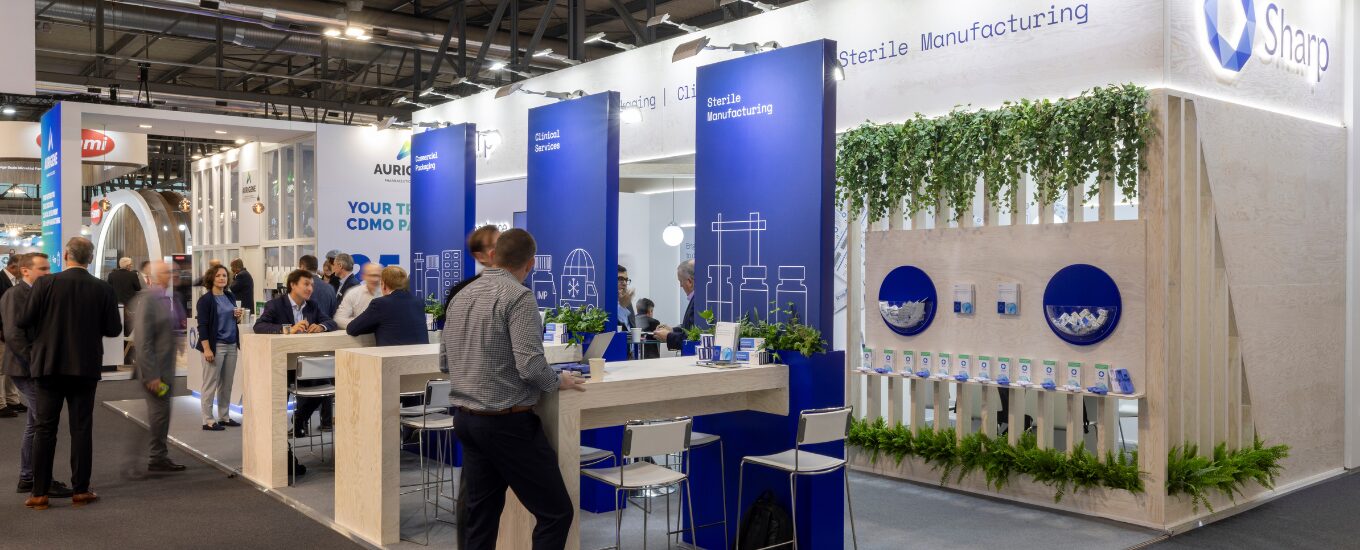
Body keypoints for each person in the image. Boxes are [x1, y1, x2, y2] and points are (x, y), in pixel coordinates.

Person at [443, 229, 585, 549]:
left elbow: (445, 360)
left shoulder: (462, 295)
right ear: (530, 263)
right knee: (555, 513)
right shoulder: (519, 296)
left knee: (481, 518)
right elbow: (530, 366)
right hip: (507, 424)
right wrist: (558, 380)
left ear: (494, 256)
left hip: (466, 419)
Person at [20, 237, 122, 510]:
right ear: (90, 258)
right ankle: (80, 490)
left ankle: (39, 493)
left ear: (65, 255)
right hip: (85, 367)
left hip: (48, 365)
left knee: (44, 428)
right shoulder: (103, 288)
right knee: (81, 428)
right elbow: (114, 329)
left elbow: (24, 320)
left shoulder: (44, 283)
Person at [2, 253, 72, 497]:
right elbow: (13, 335)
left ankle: (29, 476)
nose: (48, 272)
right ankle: (37, 478)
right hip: (26, 369)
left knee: (36, 422)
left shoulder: (39, 293)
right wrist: (35, 363)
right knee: (42, 422)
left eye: (48, 267)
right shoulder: (14, 295)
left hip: (36, 367)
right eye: (42, 268)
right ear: (25, 271)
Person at [254, 270, 336, 441]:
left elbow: (330, 322)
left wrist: (321, 326)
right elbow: (259, 326)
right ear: (293, 285)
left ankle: (299, 418)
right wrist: (287, 330)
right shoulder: (275, 305)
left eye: (312, 285)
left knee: (326, 386)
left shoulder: (312, 305)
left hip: (306, 363)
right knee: (278, 394)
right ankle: (275, 435)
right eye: (306, 284)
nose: (310, 288)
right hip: (282, 364)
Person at [132, 261, 186, 472]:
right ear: (155, 276)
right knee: (159, 413)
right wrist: (151, 375)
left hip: (165, 368)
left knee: (161, 413)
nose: (174, 274)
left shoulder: (168, 298)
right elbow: (143, 341)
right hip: (154, 371)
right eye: (168, 272)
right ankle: (156, 457)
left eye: (174, 270)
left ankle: (157, 455)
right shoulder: (148, 300)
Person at [196, 264, 244, 431]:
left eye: (224, 275)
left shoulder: (230, 296)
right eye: (218, 276)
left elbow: (232, 320)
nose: (222, 278)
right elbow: (202, 326)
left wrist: (237, 317)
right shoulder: (205, 300)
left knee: (227, 384)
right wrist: (207, 349)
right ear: (211, 279)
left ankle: (224, 416)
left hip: (231, 345)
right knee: (210, 384)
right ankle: (208, 420)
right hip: (215, 346)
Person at [434, 224, 500, 327]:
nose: (504, 250)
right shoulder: (460, 291)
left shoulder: (519, 287)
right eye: (496, 246)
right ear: (480, 256)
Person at [347, 266, 428, 346]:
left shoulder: (380, 303)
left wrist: (375, 326)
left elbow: (352, 329)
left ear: (383, 284)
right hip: (423, 356)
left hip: (393, 357)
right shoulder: (419, 302)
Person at [653, 259, 697, 351]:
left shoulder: (697, 302)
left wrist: (668, 336)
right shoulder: (697, 300)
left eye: (680, 281)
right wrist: (672, 330)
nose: (681, 285)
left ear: (690, 282)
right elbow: (689, 329)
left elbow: (693, 338)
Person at [0, 256, 21, 417]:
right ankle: (1, 404)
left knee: (10, 368)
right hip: (2, 333)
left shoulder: (16, 281)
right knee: (1, 370)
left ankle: (12, 400)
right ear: (14, 266)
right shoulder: (1, 280)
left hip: (12, 333)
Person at [334, 262, 381, 329]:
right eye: (371, 275)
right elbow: (339, 319)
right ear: (363, 276)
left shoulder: (388, 293)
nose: (375, 279)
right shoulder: (353, 293)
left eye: (378, 276)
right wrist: (362, 323)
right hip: (361, 337)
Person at [617, 265, 635, 331]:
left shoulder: (627, 302)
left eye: (626, 280)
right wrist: (621, 307)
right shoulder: (604, 303)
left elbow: (633, 328)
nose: (624, 283)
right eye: (620, 279)